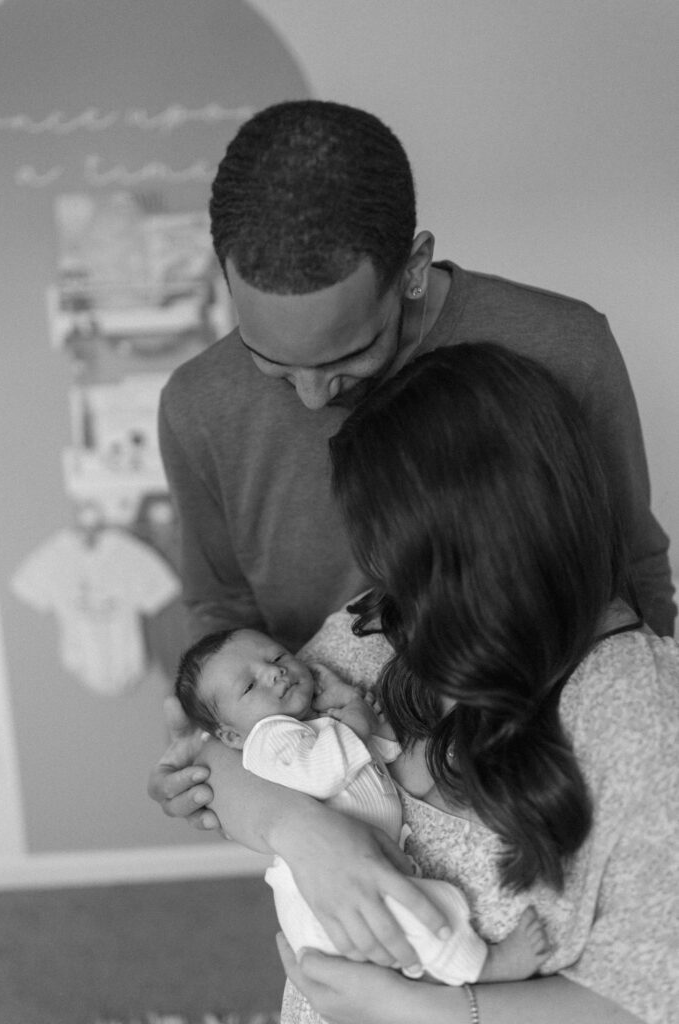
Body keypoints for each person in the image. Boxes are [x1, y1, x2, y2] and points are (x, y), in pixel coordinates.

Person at [150, 96, 673, 835]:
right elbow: (221, 617)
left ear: (415, 269)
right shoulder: (198, 403)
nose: (312, 398)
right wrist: (238, 785)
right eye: (270, 362)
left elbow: (630, 564)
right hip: (339, 792)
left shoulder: (562, 347)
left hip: (541, 771)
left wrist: (653, 742)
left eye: (349, 354)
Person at [200, 344, 676, 1024]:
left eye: (402, 556)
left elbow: (650, 991)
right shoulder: (388, 625)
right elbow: (217, 754)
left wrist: (416, 1007)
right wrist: (304, 833)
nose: (384, 576)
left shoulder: (636, 710)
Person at [174, 626, 550, 988]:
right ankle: (484, 966)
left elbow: (386, 753)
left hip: (358, 866)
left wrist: (352, 705)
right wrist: (355, 714)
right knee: (422, 913)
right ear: (231, 736)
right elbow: (323, 772)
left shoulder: (317, 725)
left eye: (277, 657)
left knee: (428, 909)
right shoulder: (268, 740)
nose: (274, 673)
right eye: (249, 685)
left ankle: (430, 972)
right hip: (318, 891)